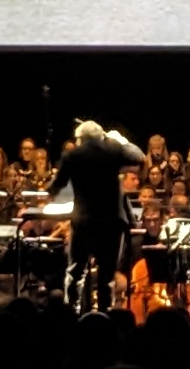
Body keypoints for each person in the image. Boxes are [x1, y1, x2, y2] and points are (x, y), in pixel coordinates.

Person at [52, 118, 144, 304]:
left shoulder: (73, 155)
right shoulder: (113, 151)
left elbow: (57, 186)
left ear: (81, 138)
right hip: (110, 223)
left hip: (84, 221)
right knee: (106, 275)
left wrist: (48, 195)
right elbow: (139, 157)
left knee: (75, 272)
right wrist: (120, 141)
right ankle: (104, 314)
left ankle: (71, 311)